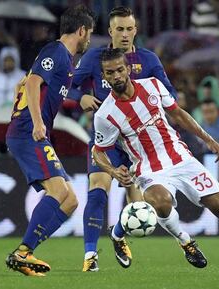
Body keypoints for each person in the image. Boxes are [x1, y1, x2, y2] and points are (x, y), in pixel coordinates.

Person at [93, 48, 219, 273]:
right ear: (104, 76)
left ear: (128, 69)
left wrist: (208, 139)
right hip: (149, 169)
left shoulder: (152, 85)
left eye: (120, 69)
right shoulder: (105, 115)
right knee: (160, 202)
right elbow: (98, 151)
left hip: (182, 159)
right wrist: (111, 170)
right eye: (110, 73)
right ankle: (185, 241)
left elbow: (178, 114)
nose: (117, 76)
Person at [69, 6, 177, 272]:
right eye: (120, 29)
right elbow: (66, 83)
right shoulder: (95, 57)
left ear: (136, 30)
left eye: (129, 29)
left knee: (139, 205)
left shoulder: (149, 60)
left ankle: (118, 237)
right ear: (110, 31)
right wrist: (79, 96)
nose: (125, 34)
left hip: (140, 145)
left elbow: (169, 94)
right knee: (97, 190)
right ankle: (90, 256)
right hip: (107, 141)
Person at [4, 5, 95, 277]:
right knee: (58, 191)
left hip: (28, 131)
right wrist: (37, 121)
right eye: (89, 33)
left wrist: (20, 105)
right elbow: (31, 84)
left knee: (70, 200)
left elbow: (22, 84)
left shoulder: (65, 60)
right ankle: (23, 252)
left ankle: (27, 251)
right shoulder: (56, 52)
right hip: (28, 133)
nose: (89, 38)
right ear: (81, 30)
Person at [0, 46, 26, 117]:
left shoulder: (24, 77)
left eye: (11, 60)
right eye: (6, 60)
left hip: (17, 119)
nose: (8, 63)